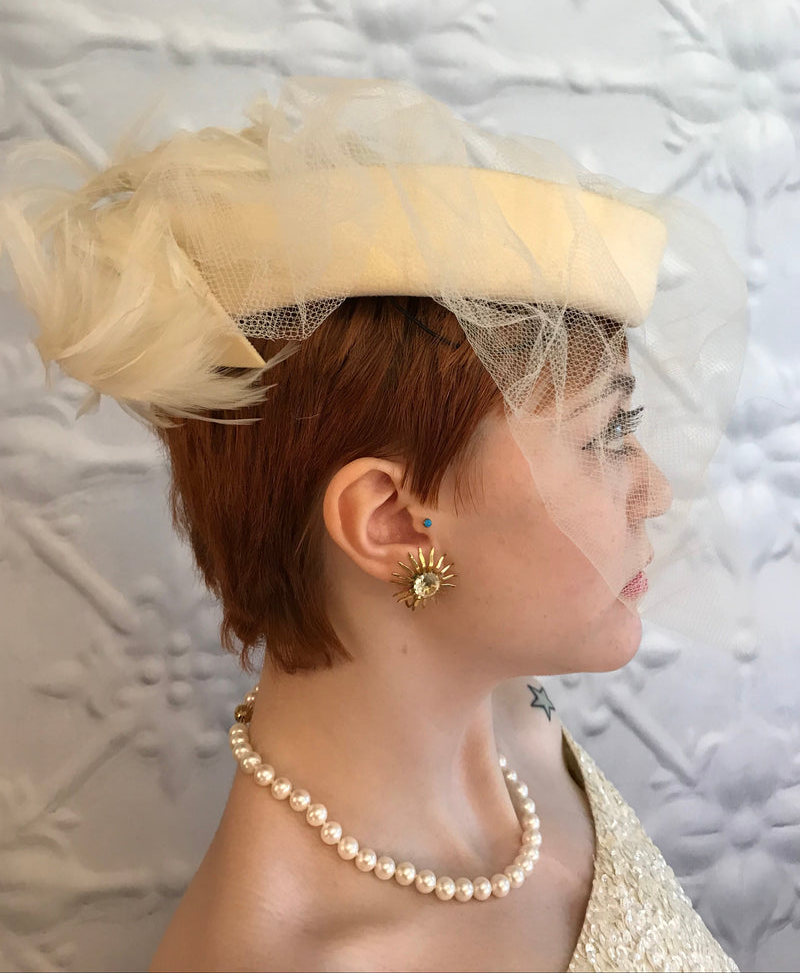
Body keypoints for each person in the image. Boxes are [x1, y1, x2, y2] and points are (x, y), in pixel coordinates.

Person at [0, 76, 747, 972]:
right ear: (392, 519)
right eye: (607, 434)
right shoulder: (295, 958)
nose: (654, 490)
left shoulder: (519, 719)